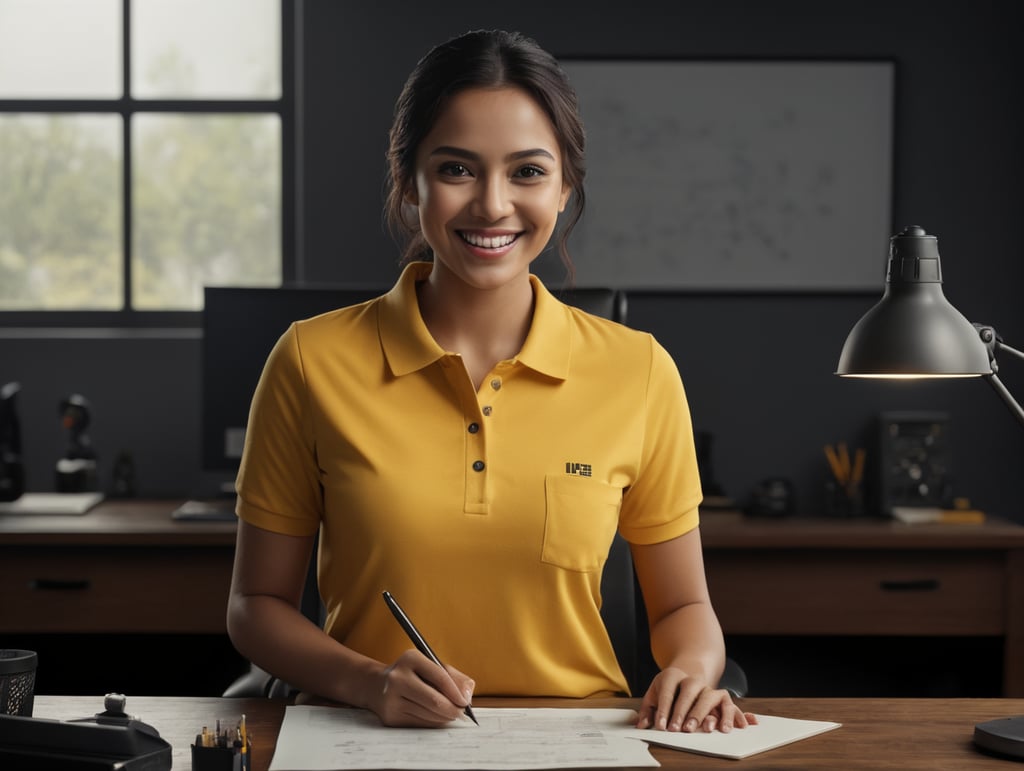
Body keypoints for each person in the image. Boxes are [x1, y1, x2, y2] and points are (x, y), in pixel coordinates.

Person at [226, 28, 755, 735]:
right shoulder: (308, 360)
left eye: (528, 172)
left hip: (580, 741)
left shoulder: (641, 371)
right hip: (367, 738)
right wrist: (369, 681)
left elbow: (684, 609)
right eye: (457, 169)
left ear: (566, 187)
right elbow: (255, 604)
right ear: (408, 183)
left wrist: (691, 669)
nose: (493, 205)